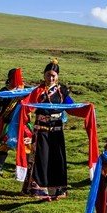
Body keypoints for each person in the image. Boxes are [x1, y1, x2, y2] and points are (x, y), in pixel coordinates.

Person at [22, 59, 73, 200]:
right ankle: (39, 189)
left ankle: (57, 190)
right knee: (41, 159)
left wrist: (86, 108)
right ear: (44, 75)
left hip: (57, 130)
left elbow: (72, 107)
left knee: (57, 159)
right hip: (41, 130)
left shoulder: (63, 91)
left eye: (53, 75)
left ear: (57, 76)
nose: (50, 78)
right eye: (48, 75)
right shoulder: (37, 91)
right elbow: (27, 107)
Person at [0, 68, 25, 176]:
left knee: (25, 146)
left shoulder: (24, 90)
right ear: (10, 79)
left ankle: (24, 169)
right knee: (4, 146)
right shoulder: (4, 91)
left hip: (22, 123)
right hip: (7, 122)